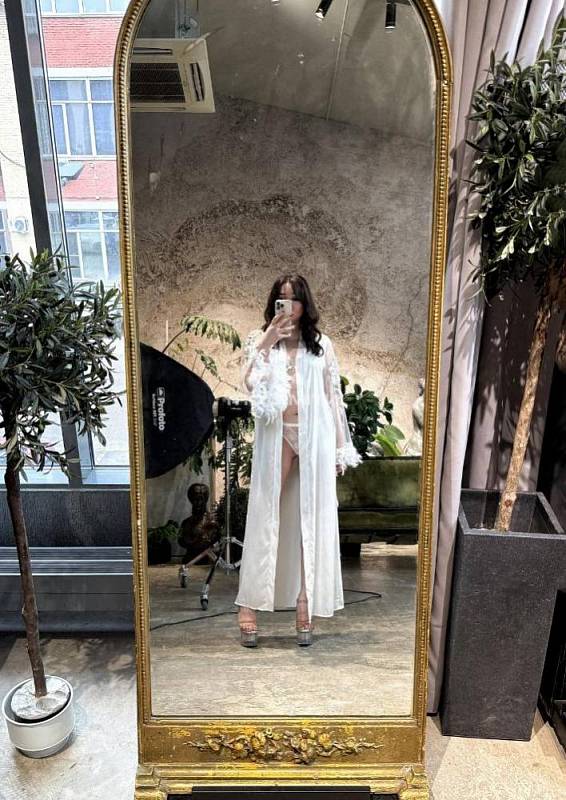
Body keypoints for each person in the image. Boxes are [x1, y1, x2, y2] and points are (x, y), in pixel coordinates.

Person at [235, 273, 361, 647]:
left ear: (305, 304)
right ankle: (248, 604)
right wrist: (268, 340)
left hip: (315, 434)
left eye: (294, 298)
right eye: (281, 297)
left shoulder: (322, 346)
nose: (288, 305)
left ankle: (304, 602)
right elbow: (249, 382)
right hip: (278, 433)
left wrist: (340, 448)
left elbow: (333, 398)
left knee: (313, 518)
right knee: (265, 512)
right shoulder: (260, 341)